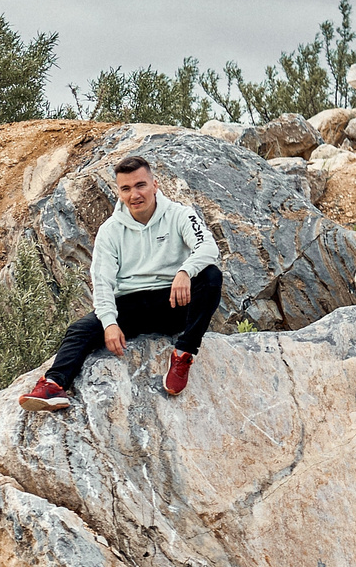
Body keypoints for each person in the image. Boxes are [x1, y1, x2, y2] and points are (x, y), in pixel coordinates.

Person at [21, 154, 222, 409]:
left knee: (211, 276)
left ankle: (183, 355)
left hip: (172, 302)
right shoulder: (110, 230)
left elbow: (208, 247)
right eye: (126, 188)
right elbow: (102, 281)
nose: (134, 195)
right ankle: (53, 385)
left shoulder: (180, 214)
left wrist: (185, 271)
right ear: (119, 192)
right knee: (80, 330)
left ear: (154, 185)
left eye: (140, 185)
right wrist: (109, 324)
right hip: (131, 307)